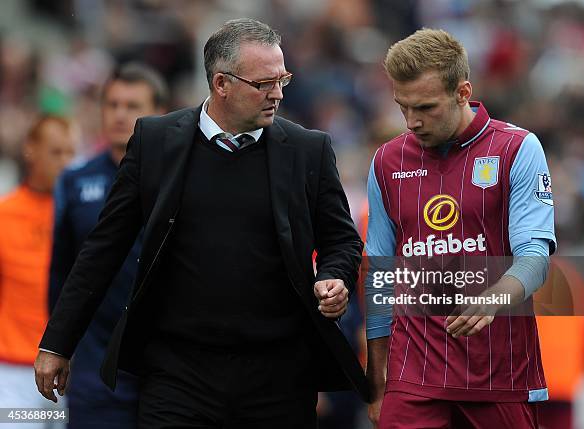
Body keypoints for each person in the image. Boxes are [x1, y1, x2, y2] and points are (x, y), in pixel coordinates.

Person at [35, 18, 368, 428]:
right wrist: (57, 343)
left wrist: (335, 276)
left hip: (278, 376)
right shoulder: (156, 142)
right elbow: (103, 248)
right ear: (221, 83)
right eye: (263, 83)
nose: (277, 94)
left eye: (282, 79)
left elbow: (341, 240)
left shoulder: (308, 149)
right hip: (178, 375)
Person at [365, 29, 556, 428]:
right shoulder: (387, 161)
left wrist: (493, 298)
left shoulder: (517, 149)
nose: (412, 121)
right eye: (403, 107)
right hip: (412, 377)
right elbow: (380, 273)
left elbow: (535, 258)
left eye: (426, 107)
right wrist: (377, 381)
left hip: (498, 373)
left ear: (463, 91)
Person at [48, 63, 168, 428]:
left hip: (167, 365)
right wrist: (59, 344)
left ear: (160, 113)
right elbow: (62, 272)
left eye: (132, 106)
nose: (119, 115)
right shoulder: (75, 181)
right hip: (95, 365)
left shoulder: (180, 179)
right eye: (111, 104)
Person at [0, 115, 77, 425]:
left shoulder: (83, 215)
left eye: (71, 153)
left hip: (69, 372)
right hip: (15, 372)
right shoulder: (5, 215)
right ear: (31, 149)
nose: (66, 163)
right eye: (56, 152)